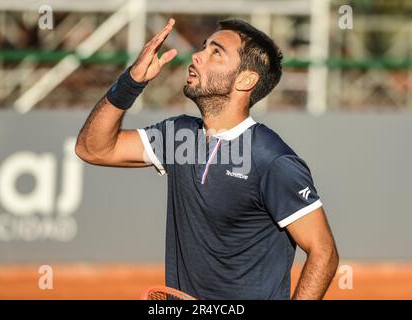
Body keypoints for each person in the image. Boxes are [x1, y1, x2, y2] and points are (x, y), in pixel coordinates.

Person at [75, 18, 339, 300]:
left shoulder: (272, 159)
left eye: (216, 52)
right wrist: (131, 82)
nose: (197, 56)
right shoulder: (178, 136)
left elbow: (324, 252)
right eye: (203, 47)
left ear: (246, 79)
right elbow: (93, 149)